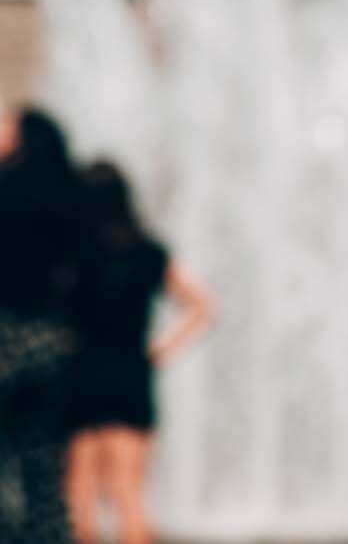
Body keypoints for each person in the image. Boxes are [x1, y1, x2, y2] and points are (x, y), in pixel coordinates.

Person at [64, 161, 214, 544]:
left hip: (80, 371)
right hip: (130, 371)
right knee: (129, 490)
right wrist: (161, 349)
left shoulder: (73, 252)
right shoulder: (149, 251)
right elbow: (202, 305)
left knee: (80, 490)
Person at [0, 107, 83, 544]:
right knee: (44, 466)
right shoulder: (70, 195)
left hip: (6, 338)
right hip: (53, 342)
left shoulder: (4, 191)